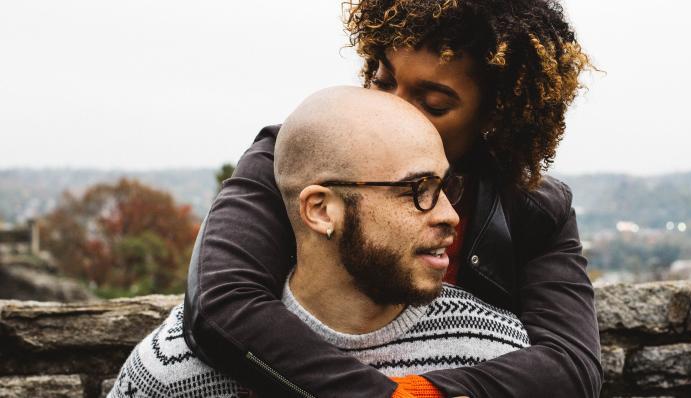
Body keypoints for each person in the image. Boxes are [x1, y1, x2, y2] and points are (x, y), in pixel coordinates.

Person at [184, 0, 602, 397]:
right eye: (383, 82)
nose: (392, 108)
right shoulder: (297, 157)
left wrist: (433, 391)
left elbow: (571, 366)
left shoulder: (535, 208)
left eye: (432, 103)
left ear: (493, 115)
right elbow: (221, 305)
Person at [108, 87, 530, 398]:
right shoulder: (176, 371)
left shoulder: (495, 351)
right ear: (322, 210)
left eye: (444, 186)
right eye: (416, 189)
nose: (448, 215)